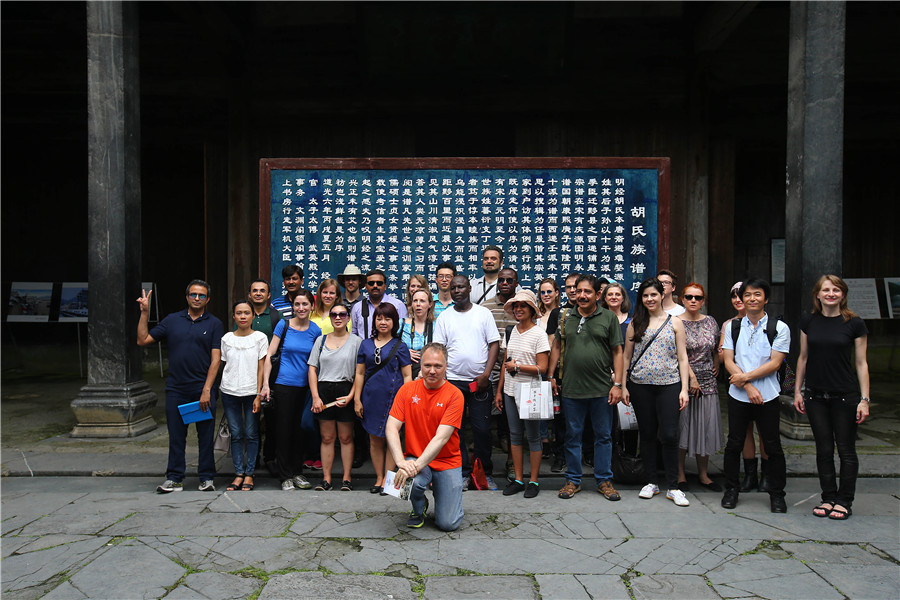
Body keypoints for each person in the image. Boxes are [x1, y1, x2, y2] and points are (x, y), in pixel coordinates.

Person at [793, 275, 870, 520]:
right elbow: (803, 357)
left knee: (846, 450)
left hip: (845, 396)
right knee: (823, 449)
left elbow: (861, 363)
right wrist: (797, 390)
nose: (831, 294)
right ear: (817, 294)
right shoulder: (809, 321)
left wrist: (864, 399)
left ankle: (844, 500)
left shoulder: (854, 323)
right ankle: (828, 497)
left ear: (843, 295)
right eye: (826, 290)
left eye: (836, 290)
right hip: (815, 394)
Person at [137, 280, 223, 493]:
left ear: (208, 299)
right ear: (186, 297)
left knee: (205, 436)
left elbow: (216, 359)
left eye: (201, 295)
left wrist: (207, 389)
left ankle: (206, 477)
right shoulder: (172, 320)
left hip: (202, 389)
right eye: (193, 294)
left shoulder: (214, 323)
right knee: (176, 436)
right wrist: (145, 313)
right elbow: (143, 339)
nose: (197, 298)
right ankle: (174, 478)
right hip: (176, 389)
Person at [548, 274, 624, 501]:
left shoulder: (608, 318)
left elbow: (618, 352)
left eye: (587, 292)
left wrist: (618, 384)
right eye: (578, 291)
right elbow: (557, 347)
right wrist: (551, 376)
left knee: (603, 436)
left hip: (602, 389)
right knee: (573, 436)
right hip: (571, 389)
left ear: (597, 295)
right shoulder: (565, 316)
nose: (581, 295)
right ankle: (573, 480)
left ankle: (604, 480)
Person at [721, 278, 791, 513]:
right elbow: (728, 360)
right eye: (747, 295)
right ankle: (731, 489)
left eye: (757, 294)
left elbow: (775, 363)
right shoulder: (733, 327)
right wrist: (748, 386)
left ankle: (777, 493)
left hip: (768, 395)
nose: (751, 299)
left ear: (766, 299)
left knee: (772, 445)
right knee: (734, 444)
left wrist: (745, 379)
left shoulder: (779, 327)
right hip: (739, 394)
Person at [622, 278, 691, 507]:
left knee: (670, 434)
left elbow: (682, 357)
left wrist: (684, 388)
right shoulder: (635, 323)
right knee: (648, 433)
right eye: (645, 296)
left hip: (669, 384)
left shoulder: (675, 323)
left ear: (662, 295)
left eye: (653, 295)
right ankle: (651, 481)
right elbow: (626, 357)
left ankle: (673, 486)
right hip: (640, 385)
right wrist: (622, 385)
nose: (649, 299)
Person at [386, 343, 465, 531]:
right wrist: (401, 463)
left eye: (438, 366)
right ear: (420, 365)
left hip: (447, 461)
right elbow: (391, 427)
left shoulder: (455, 395)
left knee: (448, 524)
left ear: (446, 366)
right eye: (427, 365)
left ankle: (447, 498)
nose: (432, 371)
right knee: (411, 482)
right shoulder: (406, 390)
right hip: (415, 457)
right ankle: (419, 507)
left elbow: (441, 438)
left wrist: (413, 468)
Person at [434, 275, 501, 490]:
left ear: (469, 288)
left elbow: (494, 345)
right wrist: (443, 378)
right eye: (453, 288)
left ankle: (484, 473)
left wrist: (485, 375)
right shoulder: (445, 317)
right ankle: (462, 473)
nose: (457, 291)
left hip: (480, 382)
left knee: (482, 430)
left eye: (461, 287)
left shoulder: (483, 314)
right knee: (456, 430)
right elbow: (439, 350)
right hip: (452, 383)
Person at [261, 289, 321, 491]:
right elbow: (270, 355)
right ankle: (284, 475)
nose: (301, 308)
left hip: (305, 388)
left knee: (300, 430)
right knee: (283, 430)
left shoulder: (315, 330)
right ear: (292, 307)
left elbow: (317, 361)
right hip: (284, 385)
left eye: (305, 304)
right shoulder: (283, 325)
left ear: (312, 306)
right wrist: (266, 385)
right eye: (297, 304)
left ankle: (297, 472)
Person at [495, 290, 550, 498]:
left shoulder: (538, 333)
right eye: (516, 306)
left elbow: (542, 368)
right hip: (510, 391)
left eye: (523, 306)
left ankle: (534, 481)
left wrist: (518, 367)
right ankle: (518, 479)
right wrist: (499, 391)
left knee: (534, 437)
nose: (518, 309)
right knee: (515, 436)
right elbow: (504, 364)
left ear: (531, 310)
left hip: (531, 391)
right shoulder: (511, 331)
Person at [354, 303, 412, 494]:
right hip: (371, 399)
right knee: (374, 440)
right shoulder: (366, 344)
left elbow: (407, 377)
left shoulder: (400, 346)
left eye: (387, 318)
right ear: (374, 321)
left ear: (394, 322)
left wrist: (406, 401)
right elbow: (360, 373)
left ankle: (389, 479)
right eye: (379, 318)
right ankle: (378, 477)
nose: (383, 322)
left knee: (391, 439)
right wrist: (357, 399)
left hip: (394, 399)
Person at [675, 283, 724, 492]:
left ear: (703, 300)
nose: (693, 300)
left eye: (698, 297)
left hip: (708, 380)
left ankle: (703, 474)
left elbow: (715, 347)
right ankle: (680, 473)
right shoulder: (676, 322)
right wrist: (691, 378)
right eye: (689, 297)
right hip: (684, 380)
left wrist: (717, 362)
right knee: (682, 426)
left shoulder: (711, 321)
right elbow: (678, 354)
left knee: (705, 426)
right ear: (683, 299)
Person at [309, 302, 362, 491]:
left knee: (346, 437)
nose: (338, 317)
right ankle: (326, 479)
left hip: (346, 389)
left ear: (348, 318)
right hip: (324, 391)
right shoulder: (321, 340)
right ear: (330, 318)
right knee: (327, 437)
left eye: (342, 314)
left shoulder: (356, 341)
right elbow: (312, 368)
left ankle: (347, 478)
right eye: (334, 315)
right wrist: (315, 396)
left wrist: (351, 396)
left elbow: (360, 372)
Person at [720, 282, 768, 493]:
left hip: (766, 384)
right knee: (744, 431)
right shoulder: (729, 325)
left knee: (766, 432)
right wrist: (743, 380)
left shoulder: (770, 324)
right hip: (739, 384)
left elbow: (775, 359)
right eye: (736, 296)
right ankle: (750, 475)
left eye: (745, 295)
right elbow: (724, 356)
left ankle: (767, 475)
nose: (740, 300)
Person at [219, 300, 268, 491]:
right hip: (229, 391)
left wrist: (258, 393)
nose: (242, 316)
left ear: (253, 316)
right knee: (236, 433)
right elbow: (225, 365)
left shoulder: (260, 338)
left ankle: (250, 473)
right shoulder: (226, 339)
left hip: (251, 392)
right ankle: (238, 473)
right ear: (234, 317)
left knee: (251, 433)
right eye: (239, 313)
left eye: (246, 313)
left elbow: (261, 368)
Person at [483, 268, 519, 478]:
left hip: (515, 372)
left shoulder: (522, 306)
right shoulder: (486, 307)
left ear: (516, 283)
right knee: (486, 420)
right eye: (501, 280)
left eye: (509, 280)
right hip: (491, 370)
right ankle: (485, 465)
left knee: (512, 421)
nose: (504, 283)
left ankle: (511, 463)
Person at [350, 269, 408, 340]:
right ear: (366, 286)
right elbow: (353, 334)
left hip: (392, 349)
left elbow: (404, 333)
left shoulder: (398, 305)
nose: (375, 286)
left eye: (379, 283)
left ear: (385, 286)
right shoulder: (358, 307)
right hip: (364, 350)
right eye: (371, 283)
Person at [399, 287, 436, 379]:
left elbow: (441, 350)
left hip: (428, 373)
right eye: (415, 301)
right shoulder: (402, 324)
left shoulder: (436, 326)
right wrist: (404, 352)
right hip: (404, 371)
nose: (418, 304)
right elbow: (389, 345)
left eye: (422, 301)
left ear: (430, 304)